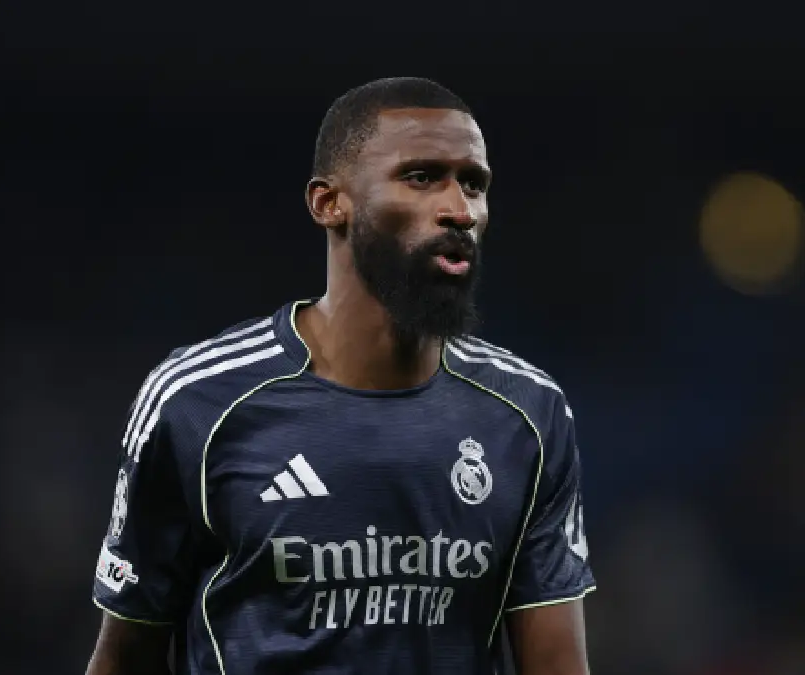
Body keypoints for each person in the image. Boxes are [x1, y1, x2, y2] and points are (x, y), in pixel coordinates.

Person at [85, 77, 595, 675]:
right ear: (330, 203)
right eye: (423, 176)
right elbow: (125, 656)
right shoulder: (196, 401)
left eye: (475, 184)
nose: (460, 209)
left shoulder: (528, 413)